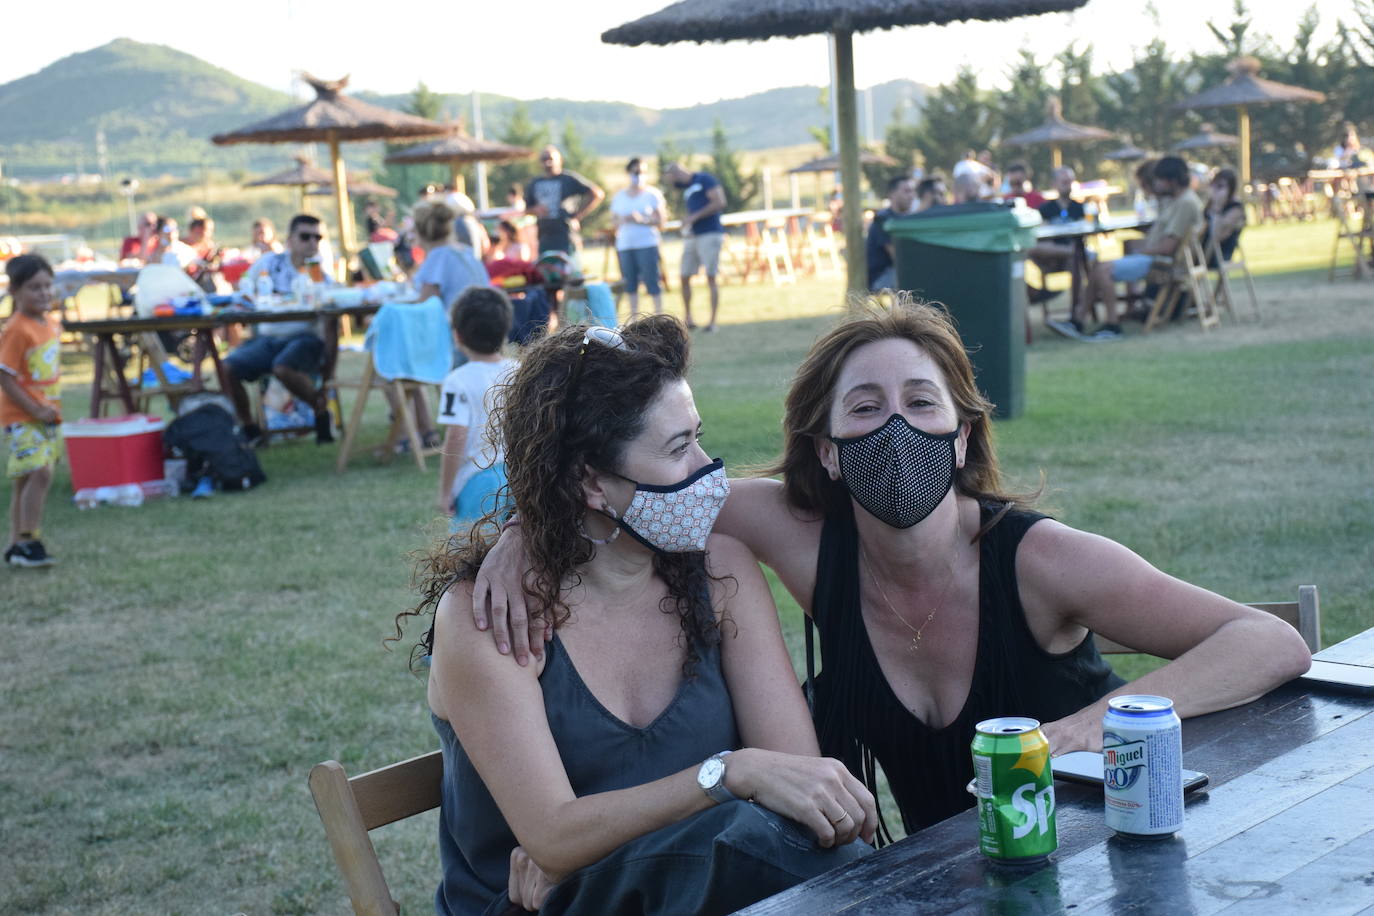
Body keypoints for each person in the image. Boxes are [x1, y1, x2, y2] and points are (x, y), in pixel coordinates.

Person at [472, 297, 1313, 839]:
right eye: (865, 409)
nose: (896, 429)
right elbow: (613, 488)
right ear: (829, 452)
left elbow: (1269, 643)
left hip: (1105, 860)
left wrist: (1079, 731)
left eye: (921, 404)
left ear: (961, 435)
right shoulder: (799, 535)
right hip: (943, 884)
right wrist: (520, 533)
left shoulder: (1039, 559)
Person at [401, 315, 873, 913]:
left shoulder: (719, 573)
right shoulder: (491, 613)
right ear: (591, 482)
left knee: (773, 850)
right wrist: (727, 774)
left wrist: (594, 853)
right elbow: (554, 837)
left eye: (698, 436)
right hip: (530, 907)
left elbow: (799, 785)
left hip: (710, 895)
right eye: (678, 449)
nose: (706, 469)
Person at [1050, 155, 1203, 342]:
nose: (1156, 185)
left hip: (1163, 264)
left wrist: (1139, 252)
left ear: (1171, 181)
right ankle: (1078, 320)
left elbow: (1167, 247)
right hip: (1158, 259)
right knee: (1100, 267)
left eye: (1159, 180)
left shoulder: (1185, 203)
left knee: (1102, 270)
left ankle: (1111, 325)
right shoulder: (1177, 200)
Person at [228, 214, 335, 445]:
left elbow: (331, 314)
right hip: (268, 338)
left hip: (305, 338)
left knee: (283, 367)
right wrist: (249, 299)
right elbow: (243, 287)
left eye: (317, 237)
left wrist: (329, 364)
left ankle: (320, 409)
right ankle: (249, 428)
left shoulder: (319, 271)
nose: (312, 242)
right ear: (290, 239)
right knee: (227, 368)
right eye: (305, 236)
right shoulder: (269, 263)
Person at [435, 287, 516, 531]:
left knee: (471, 557)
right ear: (504, 331)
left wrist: (445, 491)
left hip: (478, 481)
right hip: (520, 476)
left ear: (457, 335)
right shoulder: (520, 370)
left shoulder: (457, 381)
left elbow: (456, 435)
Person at [1, 255, 61, 568]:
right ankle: (29, 540)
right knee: (41, 472)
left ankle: (15, 545)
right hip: (22, 415)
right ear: (15, 291)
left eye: (47, 285)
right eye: (33, 287)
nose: (43, 293)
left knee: (26, 479)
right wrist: (34, 409)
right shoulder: (16, 329)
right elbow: (5, 377)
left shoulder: (49, 323)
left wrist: (47, 409)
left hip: (46, 414)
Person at [663, 161, 727, 331]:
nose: (673, 185)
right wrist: (687, 220)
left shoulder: (704, 179)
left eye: (672, 180)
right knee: (684, 275)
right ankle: (688, 318)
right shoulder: (688, 189)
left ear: (677, 174)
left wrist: (694, 217)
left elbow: (720, 202)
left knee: (711, 276)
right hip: (693, 235)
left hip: (710, 233)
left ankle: (713, 322)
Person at [609, 157, 668, 317]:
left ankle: (659, 316)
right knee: (630, 284)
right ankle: (634, 318)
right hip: (625, 245)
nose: (639, 175)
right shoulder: (619, 196)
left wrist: (642, 220)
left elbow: (662, 222)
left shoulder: (652, 194)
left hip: (647, 243)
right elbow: (613, 220)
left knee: (652, 281)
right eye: (636, 172)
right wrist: (622, 220)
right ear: (629, 173)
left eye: (642, 172)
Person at [524, 146, 604, 263]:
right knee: (547, 271)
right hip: (544, 235)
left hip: (565, 234)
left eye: (551, 158)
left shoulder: (568, 179)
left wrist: (577, 216)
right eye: (544, 159)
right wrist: (535, 210)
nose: (548, 162)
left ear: (559, 160)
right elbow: (527, 210)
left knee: (569, 270)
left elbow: (597, 194)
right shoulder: (535, 183)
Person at [1025, 167, 1086, 304]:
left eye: (1070, 182)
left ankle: (1077, 307)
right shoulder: (1045, 209)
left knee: (1074, 259)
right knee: (1030, 249)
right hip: (1050, 255)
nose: (1068, 185)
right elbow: (1042, 235)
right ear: (1054, 184)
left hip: (1073, 254)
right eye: (1064, 182)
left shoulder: (1081, 208)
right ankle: (1032, 292)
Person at [865, 175, 917, 292]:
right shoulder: (883, 220)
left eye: (913, 191)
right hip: (881, 278)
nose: (912, 196)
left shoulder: (907, 219)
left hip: (897, 274)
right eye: (906, 191)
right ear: (892, 194)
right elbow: (899, 257)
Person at [1200, 168, 1247, 265]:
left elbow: (1217, 236)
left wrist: (1217, 207)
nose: (1215, 190)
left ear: (1231, 188)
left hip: (1219, 256)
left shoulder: (1235, 208)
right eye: (1213, 185)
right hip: (1201, 252)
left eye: (1220, 186)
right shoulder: (1209, 205)